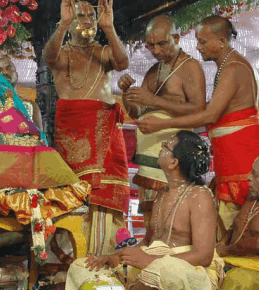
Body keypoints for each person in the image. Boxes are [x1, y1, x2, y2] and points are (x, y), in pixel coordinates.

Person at [137, 15, 259, 233]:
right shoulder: (227, 66)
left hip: (240, 162)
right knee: (229, 229)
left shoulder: (232, 68)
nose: (198, 47)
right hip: (230, 161)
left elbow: (209, 115)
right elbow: (208, 111)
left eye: (203, 42)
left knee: (240, 230)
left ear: (222, 41)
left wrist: (161, 125)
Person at [66, 131, 224, 290]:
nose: (160, 149)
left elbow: (204, 255)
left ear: (173, 162)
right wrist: (115, 258)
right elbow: (148, 242)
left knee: (162, 272)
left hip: (185, 271)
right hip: (153, 264)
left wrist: (151, 261)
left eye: (165, 147)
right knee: (81, 267)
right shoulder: (162, 194)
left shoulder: (200, 196)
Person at [43, 0, 130, 256]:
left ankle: (103, 257)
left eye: (90, 16)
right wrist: (62, 24)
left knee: (104, 200)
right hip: (72, 135)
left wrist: (109, 28)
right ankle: (69, 258)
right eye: (79, 16)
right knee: (71, 197)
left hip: (106, 138)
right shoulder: (62, 52)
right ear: (69, 21)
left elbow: (123, 62)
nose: (86, 21)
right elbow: (48, 57)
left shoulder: (101, 52)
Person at [118, 16, 206, 227]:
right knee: (151, 223)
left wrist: (154, 100)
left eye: (162, 44)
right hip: (147, 163)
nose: (155, 50)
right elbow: (138, 114)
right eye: (150, 45)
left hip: (173, 160)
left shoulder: (190, 67)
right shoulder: (153, 71)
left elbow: (199, 109)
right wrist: (126, 95)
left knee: (172, 222)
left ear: (176, 38)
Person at [216, 156, 259, 289]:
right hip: (231, 259)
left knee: (238, 280)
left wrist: (225, 250)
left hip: (253, 269)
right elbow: (235, 226)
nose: (249, 177)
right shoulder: (253, 197)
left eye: (255, 174)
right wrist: (222, 242)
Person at [0, 57, 43, 130]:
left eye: (9, 69)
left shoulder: (31, 106)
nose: (4, 72)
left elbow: (41, 138)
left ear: (16, 75)